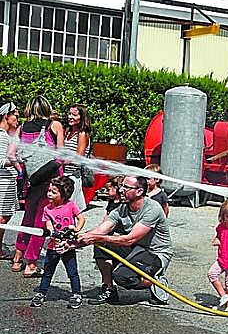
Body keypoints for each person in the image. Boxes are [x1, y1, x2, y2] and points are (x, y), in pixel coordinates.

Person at [73, 175, 173, 306]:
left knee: (121, 276)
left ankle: (153, 282)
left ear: (139, 191)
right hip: (136, 248)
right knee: (100, 243)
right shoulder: (122, 208)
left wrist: (95, 237)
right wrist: (72, 243)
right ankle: (108, 288)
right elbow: (100, 231)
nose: (121, 190)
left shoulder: (152, 208)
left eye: (126, 187)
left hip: (154, 253)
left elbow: (129, 240)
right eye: (121, 186)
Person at [12, 95, 64, 277]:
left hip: (31, 181)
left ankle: (17, 258)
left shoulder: (22, 128)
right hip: (51, 183)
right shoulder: (54, 125)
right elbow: (61, 156)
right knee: (41, 222)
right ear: (47, 108)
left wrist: (23, 171)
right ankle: (31, 263)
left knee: (27, 218)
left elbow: (12, 154)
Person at [30, 176, 85, 309]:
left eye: (53, 192)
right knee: (48, 272)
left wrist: (76, 229)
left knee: (72, 272)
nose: (49, 194)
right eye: (49, 191)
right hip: (53, 247)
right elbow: (49, 226)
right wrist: (53, 235)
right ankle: (41, 293)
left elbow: (81, 218)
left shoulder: (70, 205)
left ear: (64, 194)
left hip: (68, 247)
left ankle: (76, 293)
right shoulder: (47, 209)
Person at [62, 104, 91, 211]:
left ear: (82, 117)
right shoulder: (68, 132)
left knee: (68, 209)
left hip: (73, 176)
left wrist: (61, 162)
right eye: (69, 114)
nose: (70, 117)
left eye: (74, 115)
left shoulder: (82, 134)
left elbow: (79, 157)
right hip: (64, 175)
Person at [0, 102, 20, 259]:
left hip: (7, 179)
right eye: (16, 116)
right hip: (3, 181)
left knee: (5, 215)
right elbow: (1, 161)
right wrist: (17, 161)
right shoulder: (2, 136)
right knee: (3, 216)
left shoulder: (7, 135)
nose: (17, 120)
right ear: (6, 116)